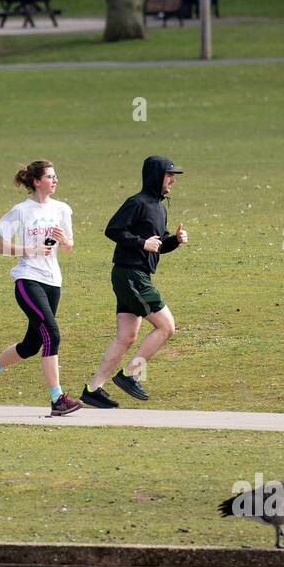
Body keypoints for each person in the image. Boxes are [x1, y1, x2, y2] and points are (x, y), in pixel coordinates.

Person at [0, 160, 82, 417]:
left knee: (31, 344)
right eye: (49, 177)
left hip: (52, 281)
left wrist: (64, 239)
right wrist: (31, 250)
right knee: (52, 334)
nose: (55, 180)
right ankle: (58, 399)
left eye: (56, 176)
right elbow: (0, 244)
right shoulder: (22, 210)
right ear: (36, 182)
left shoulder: (62, 209)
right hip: (27, 279)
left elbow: (69, 247)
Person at [81, 156, 187, 409]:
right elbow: (113, 230)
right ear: (155, 175)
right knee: (166, 327)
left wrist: (174, 240)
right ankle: (130, 374)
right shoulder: (136, 203)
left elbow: (157, 245)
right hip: (131, 275)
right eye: (169, 174)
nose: (172, 180)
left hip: (136, 275)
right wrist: (141, 243)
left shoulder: (160, 207)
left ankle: (93, 390)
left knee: (126, 336)